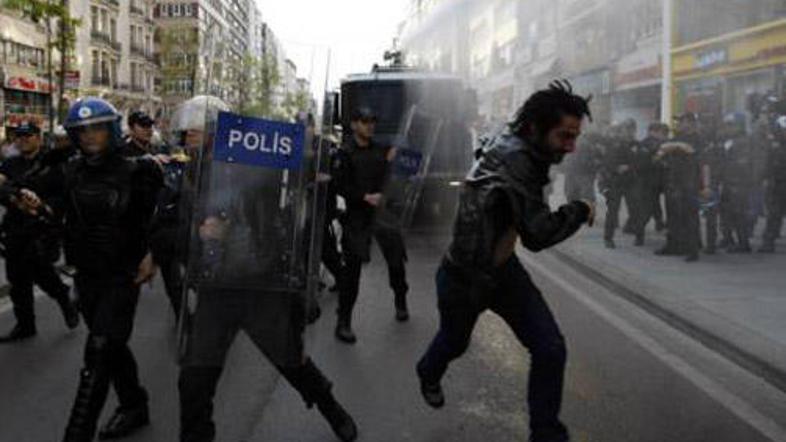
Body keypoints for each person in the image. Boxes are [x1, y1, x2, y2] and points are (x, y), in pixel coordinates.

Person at [416, 81, 594, 442]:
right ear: (535, 129)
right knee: (454, 342)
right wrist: (579, 209)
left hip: (503, 271)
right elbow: (539, 234)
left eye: (575, 137)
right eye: (564, 136)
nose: (571, 147)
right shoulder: (517, 161)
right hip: (464, 278)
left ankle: (546, 434)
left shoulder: (521, 143)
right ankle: (428, 371)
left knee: (549, 347)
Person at [174, 96, 358, 442]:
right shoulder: (189, 173)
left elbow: (287, 183)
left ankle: (331, 408)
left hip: (259, 284)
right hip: (215, 289)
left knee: (293, 361)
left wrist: (302, 144)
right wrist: (196, 236)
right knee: (194, 381)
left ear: (216, 129)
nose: (188, 139)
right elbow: (174, 227)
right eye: (185, 134)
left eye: (195, 131)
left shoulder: (254, 166)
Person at [10, 98, 164, 441]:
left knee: (98, 351)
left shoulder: (140, 170)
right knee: (110, 345)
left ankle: (77, 433)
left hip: (124, 276)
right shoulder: (69, 171)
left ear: (109, 129)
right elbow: (58, 213)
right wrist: (40, 208)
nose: (90, 135)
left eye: (97, 127)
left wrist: (154, 253)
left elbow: (163, 217)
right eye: (82, 130)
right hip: (87, 276)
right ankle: (134, 404)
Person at [332, 106, 410, 344]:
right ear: (354, 125)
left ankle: (400, 300)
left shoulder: (381, 151)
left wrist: (398, 165)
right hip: (358, 216)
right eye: (365, 121)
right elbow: (339, 185)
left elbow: (393, 178)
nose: (370, 125)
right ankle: (343, 322)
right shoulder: (344, 153)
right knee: (351, 273)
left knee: (396, 262)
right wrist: (364, 197)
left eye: (373, 121)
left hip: (382, 214)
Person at [0, 122, 79, 342]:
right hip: (15, 230)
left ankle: (64, 299)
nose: (23, 139)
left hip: (41, 231)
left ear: (39, 138)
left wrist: (41, 206)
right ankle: (25, 325)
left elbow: (62, 196)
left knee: (43, 276)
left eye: (28, 135)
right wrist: (15, 197)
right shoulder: (11, 163)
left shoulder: (53, 163)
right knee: (17, 281)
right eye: (19, 136)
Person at [655, 113, 703, 262]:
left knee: (690, 218)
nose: (679, 124)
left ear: (691, 123)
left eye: (682, 121)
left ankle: (692, 249)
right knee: (673, 217)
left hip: (690, 183)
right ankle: (673, 245)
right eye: (679, 121)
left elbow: (690, 149)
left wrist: (675, 146)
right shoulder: (677, 138)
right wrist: (676, 145)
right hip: (674, 182)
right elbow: (662, 148)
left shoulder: (698, 138)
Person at [717, 113, 755, 253]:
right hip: (727, 182)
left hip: (738, 183)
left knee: (739, 214)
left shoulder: (745, 141)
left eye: (731, 125)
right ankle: (727, 238)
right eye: (727, 125)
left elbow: (743, 163)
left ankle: (743, 243)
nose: (728, 128)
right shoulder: (726, 140)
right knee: (725, 212)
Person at [629, 122, 669, 245]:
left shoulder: (648, 144)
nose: (663, 136)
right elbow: (643, 165)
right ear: (653, 131)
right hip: (647, 184)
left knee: (655, 208)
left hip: (653, 184)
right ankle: (638, 235)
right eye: (661, 133)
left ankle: (658, 224)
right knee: (646, 211)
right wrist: (657, 161)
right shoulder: (649, 145)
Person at [599, 123, 633, 248]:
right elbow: (605, 163)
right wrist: (616, 168)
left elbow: (638, 160)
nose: (627, 134)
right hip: (614, 182)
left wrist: (630, 167)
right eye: (625, 131)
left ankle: (636, 233)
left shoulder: (632, 144)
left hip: (629, 181)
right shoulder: (610, 144)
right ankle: (608, 238)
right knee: (613, 211)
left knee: (635, 209)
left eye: (630, 131)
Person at [759, 105, 786, 253]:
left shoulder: (775, 146)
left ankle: (769, 241)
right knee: (774, 215)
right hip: (777, 185)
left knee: (774, 214)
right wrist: (765, 179)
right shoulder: (774, 147)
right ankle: (768, 241)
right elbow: (768, 164)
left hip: (778, 184)